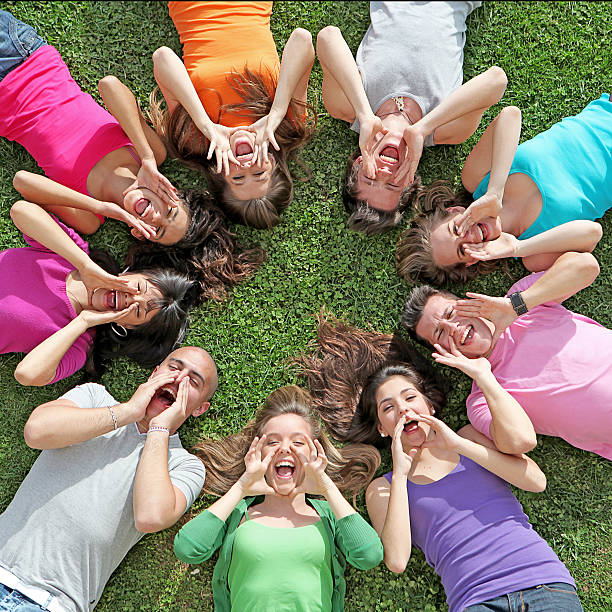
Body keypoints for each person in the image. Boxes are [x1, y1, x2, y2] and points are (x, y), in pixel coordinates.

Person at [295, 317, 583, 612]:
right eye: (389, 408)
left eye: (410, 398)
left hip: (543, 583)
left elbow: (536, 482)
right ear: (382, 428)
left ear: (428, 406)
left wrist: (458, 445)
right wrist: (401, 475)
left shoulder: (469, 437)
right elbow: (396, 560)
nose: (404, 409)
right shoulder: (383, 488)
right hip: (475, 601)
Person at [0, 10, 262, 298]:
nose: (155, 217)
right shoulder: (149, 154)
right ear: (172, 192)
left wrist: (100, 207)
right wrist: (147, 157)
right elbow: (109, 86)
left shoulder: (89, 217)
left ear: (139, 234)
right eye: (170, 211)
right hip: (22, 57)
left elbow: (22, 181)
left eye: (157, 231)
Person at [0, 346, 215, 612]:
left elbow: (151, 517)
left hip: (52, 603)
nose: (179, 379)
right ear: (155, 373)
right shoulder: (94, 396)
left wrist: (160, 428)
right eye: (174, 367)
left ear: (200, 409)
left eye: (193, 381)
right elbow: (36, 431)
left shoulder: (186, 466)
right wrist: (128, 412)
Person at [173, 385, 383, 611]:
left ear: (315, 451)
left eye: (299, 442)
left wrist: (326, 487)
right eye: (272, 442)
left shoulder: (329, 514)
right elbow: (188, 549)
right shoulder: (237, 513)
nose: (284, 448)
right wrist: (242, 486)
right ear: (257, 452)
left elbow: (368, 555)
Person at [316, 1, 508, 234]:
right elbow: (496, 80)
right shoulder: (447, 131)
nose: (385, 172)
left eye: (370, 177)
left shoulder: (346, 108)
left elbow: (328, 37)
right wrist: (421, 128)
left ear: (358, 164)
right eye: (392, 184)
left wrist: (365, 114)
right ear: (409, 181)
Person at [401, 251, 612, 459]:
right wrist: (485, 377)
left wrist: (517, 306)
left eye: (451, 313)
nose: (453, 327)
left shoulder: (519, 301)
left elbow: (586, 266)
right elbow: (521, 441)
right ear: (441, 351)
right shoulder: (482, 400)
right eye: (440, 333)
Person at [396, 94, 611, 284]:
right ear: (471, 262)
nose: (470, 237)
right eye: (463, 250)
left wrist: (494, 192)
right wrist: (518, 247)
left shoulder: (477, 179)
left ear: (455, 211)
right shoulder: (533, 256)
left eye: (457, 230)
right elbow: (592, 234)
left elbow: (510, 115)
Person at [151, 1, 315, 228]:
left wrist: (206, 125)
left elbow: (163, 58)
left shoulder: (196, 139)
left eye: (238, 178)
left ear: (219, 174)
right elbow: (302, 39)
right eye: (259, 173)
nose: (246, 166)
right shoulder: (288, 123)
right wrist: (277, 112)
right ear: (274, 163)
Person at [1, 200, 197, 386]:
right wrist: (84, 265)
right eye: (138, 288)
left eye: (138, 311)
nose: (129, 299)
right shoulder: (74, 254)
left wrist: (83, 321)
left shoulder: (78, 344)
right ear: (132, 272)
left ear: (126, 326)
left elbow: (27, 374)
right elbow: (21, 211)